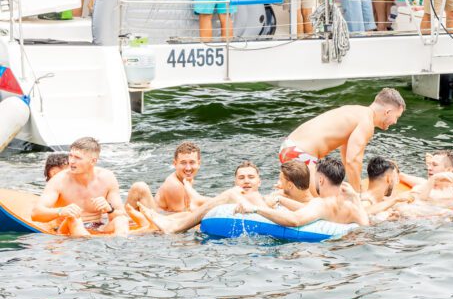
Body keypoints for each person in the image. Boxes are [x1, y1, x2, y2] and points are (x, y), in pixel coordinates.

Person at [279, 87, 406, 192]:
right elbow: (353, 161)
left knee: (304, 194)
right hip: (302, 154)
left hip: (289, 146)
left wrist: (353, 186)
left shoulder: (355, 110)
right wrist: (357, 196)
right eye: (397, 117)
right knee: (322, 202)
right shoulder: (367, 123)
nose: (395, 122)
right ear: (388, 112)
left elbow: (346, 157)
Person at [31, 137, 129, 236]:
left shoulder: (107, 178)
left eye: (77, 158)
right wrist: (61, 211)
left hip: (98, 227)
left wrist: (109, 209)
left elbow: (121, 214)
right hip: (66, 228)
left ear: (93, 161)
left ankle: (118, 247)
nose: (71, 161)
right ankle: (88, 246)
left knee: (121, 220)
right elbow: (35, 214)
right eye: (71, 156)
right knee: (74, 218)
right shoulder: (58, 181)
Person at [136, 160, 265, 234]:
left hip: (261, 223)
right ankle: (166, 220)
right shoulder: (239, 198)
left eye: (251, 177)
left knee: (230, 194)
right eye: (241, 178)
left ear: (259, 182)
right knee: (187, 214)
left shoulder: (259, 198)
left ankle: (177, 222)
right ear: (235, 182)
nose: (246, 181)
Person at [236, 157, 369, 228]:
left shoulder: (321, 203)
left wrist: (255, 209)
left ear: (321, 180)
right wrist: (281, 199)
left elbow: (295, 221)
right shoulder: (352, 205)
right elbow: (365, 226)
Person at [126, 142, 204, 213]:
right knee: (140, 187)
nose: (188, 168)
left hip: (161, 215)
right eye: (183, 163)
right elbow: (180, 220)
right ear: (175, 163)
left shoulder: (186, 179)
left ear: (199, 163)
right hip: (156, 219)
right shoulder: (175, 186)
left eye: (192, 162)